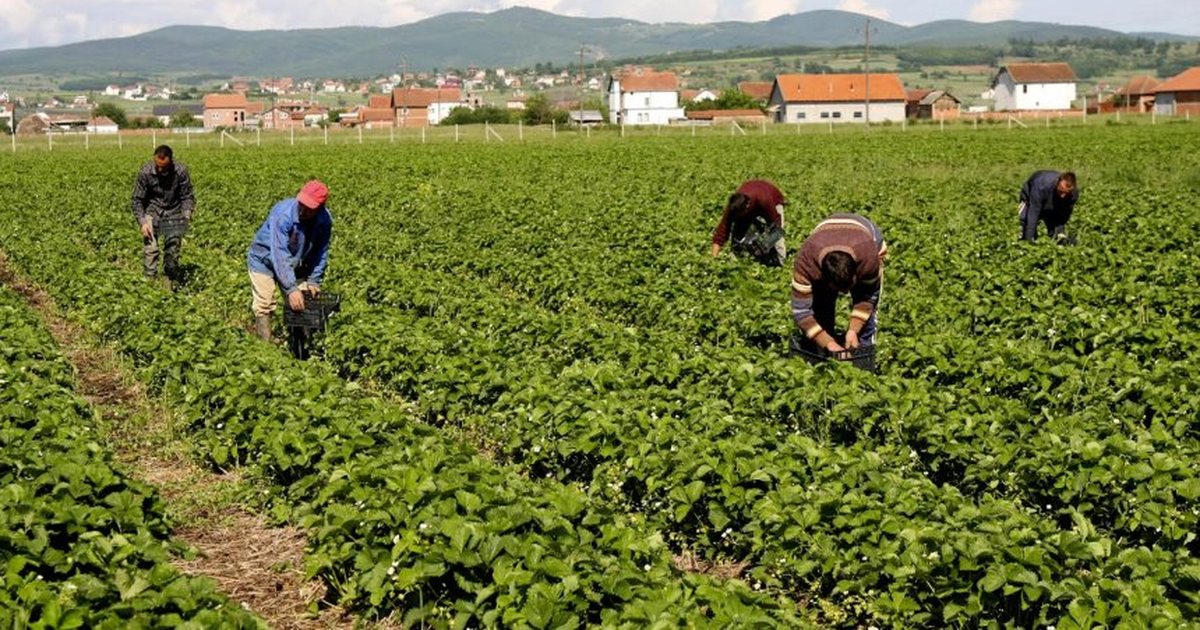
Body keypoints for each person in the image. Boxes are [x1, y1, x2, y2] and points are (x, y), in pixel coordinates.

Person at [247, 180, 333, 341]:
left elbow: (320, 251)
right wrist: (291, 289)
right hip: (263, 259)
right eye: (302, 204)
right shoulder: (283, 215)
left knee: (302, 302)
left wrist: (314, 280)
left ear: (320, 207)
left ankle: (298, 347)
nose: (304, 210)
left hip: (293, 262)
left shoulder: (324, 220)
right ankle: (263, 348)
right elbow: (279, 253)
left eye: (310, 208)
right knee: (264, 303)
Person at [791, 214, 887, 354]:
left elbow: (867, 298)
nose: (844, 293)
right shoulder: (806, 264)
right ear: (824, 279)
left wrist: (854, 330)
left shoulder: (868, 259)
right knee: (821, 308)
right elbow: (801, 311)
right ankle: (823, 354)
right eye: (838, 289)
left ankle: (863, 355)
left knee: (868, 319)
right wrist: (828, 342)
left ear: (856, 274)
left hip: (868, 239)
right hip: (822, 239)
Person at [131, 145, 195, 283]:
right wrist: (142, 222)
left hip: (174, 212)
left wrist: (186, 215)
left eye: (164, 167)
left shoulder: (180, 171)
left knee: (172, 251)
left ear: (171, 161)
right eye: (157, 166)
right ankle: (149, 282)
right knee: (151, 249)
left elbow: (187, 196)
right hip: (152, 211)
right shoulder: (145, 172)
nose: (160, 169)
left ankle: (169, 282)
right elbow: (137, 199)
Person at [710, 179, 787, 266]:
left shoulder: (764, 200)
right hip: (753, 195)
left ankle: (780, 263)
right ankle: (735, 261)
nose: (738, 215)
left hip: (773, 199)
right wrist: (714, 259)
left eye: (740, 214)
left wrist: (765, 244)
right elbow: (722, 231)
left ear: (747, 206)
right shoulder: (733, 207)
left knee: (776, 233)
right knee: (739, 228)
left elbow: (776, 224)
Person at [1019, 170, 1078, 243]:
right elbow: (1033, 212)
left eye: (1066, 193)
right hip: (1030, 198)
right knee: (1025, 226)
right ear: (1058, 182)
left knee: (1057, 234)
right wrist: (1028, 240)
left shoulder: (1073, 194)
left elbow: (1064, 215)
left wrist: (1059, 231)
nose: (1063, 196)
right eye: (1061, 191)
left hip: (1053, 202)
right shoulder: (1042, 184)